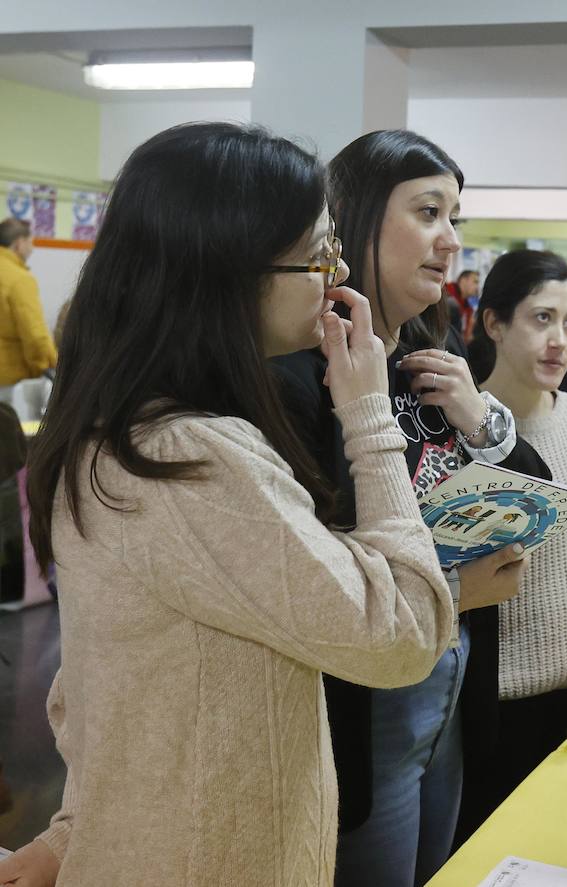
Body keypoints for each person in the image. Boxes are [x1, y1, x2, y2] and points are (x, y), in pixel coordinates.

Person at [0, 122, 452, 887]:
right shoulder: (190, 459)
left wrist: (74, 830)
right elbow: (405, 632)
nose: (335, 274)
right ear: (233, 272)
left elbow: (101, 688)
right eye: (318, 253)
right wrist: (370, 417)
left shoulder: (118, 431)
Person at [272, 129, 550, 887]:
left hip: (452, 671)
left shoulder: (436, 357)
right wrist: (456, 589)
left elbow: (532, 485)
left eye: (455, 218)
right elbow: (311, 568)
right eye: (429, 213)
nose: (449, 241)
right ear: (357, 218)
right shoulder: (307, 375)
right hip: (364, 695)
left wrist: (482, 416)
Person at [452, 249, 567, 845]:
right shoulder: (463, 430)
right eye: (541, 319)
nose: (559, 341)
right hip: (502, 702)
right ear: (494, 322)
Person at [0, 218, 57, 389]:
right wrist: (47, 365)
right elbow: (35, 335)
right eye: (30, 243)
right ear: (19, 244)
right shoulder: (19, 279)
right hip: (11, 379)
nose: (32, 248)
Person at [443, 268, 480, 344]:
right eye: (475, 282)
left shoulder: (469, 310)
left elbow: (465, 337)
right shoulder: (445, 292)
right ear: (463, 280)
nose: (477, 287)